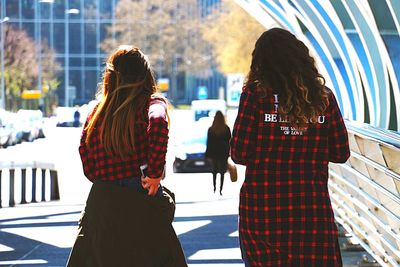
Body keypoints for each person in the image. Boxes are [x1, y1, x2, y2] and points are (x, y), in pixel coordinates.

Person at [230, 28, 350, 266]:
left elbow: (239, 154)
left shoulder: (255, 96)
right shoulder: (323, 98)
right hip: (311, 211)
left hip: (263, 211)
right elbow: (341, 153)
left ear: (261, 62)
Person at [66, 45, 187, 267]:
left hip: (102, 201)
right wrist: (154, 173)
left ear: (111, 77)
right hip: (139, 195)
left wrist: (101, 178)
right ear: (145, 74)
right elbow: (159, 122)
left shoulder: (97, 111)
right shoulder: (152, 103)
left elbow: (84, 149)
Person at [205, 110, 231, 195]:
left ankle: (214, 187)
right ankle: (221, 189)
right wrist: (229, 153)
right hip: (223, 152)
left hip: (214, 152)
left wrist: (207, 154)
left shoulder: (211, 129)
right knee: (222, 171)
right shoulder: (226, 129)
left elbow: (209, 143)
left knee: (214, 170)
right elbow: (229, 142)